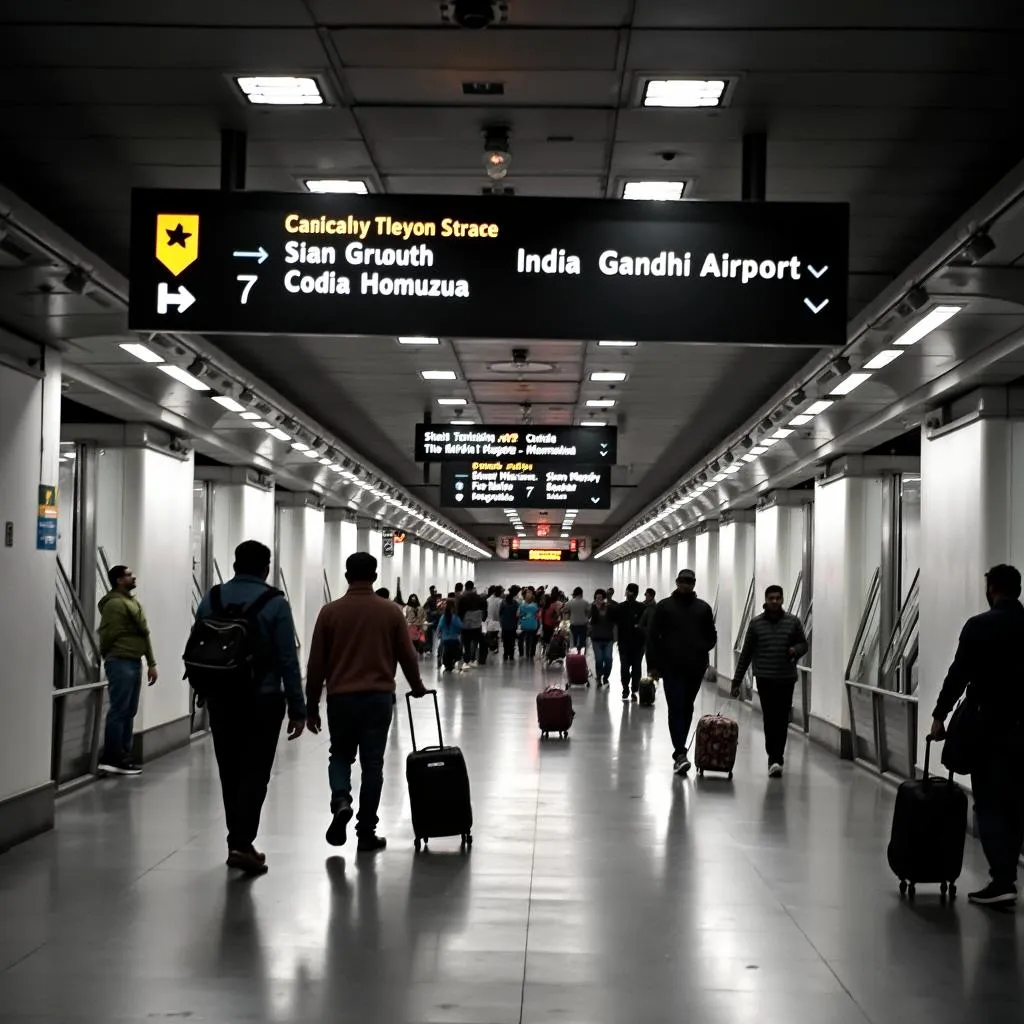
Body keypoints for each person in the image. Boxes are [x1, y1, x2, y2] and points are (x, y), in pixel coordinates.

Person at [194, 541, 306, 874]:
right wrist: (298, 708)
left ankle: (237, 841)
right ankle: (241, 843)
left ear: (234, 565)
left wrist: (202, 690)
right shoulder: (274, 603)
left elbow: (199, 645)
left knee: (230, 770)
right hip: (263, 699)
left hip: (221, 699)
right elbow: (288, 658)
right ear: (266, 568)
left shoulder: (211, 598)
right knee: (255, 771)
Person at [306, 552, 427, 854]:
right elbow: (406, 655)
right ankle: (366, 832)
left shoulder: (330, 612)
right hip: (377, 698)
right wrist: (417, 686)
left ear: (347, 576)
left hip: (340, 698)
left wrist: (310, 706)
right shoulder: (390, 612)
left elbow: (316, 663)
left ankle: (341, 800)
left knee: (340, 755)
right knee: (373, 764)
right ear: (374, 577)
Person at [930, 564, 1024, 906]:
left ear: (993, 589)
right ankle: (1007, 875)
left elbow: (958, 673)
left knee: (989, 802)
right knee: (1016, 803)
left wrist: (940, 715)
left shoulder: (980, 626)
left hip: (989, 728)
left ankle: (1002, 879)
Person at [730, 585, 808, 778]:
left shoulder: (793, 622)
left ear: (782, 600)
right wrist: (737, 680)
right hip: (765, 678)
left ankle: (776, 758)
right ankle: (772, 755)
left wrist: (795, 650)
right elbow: (746, 653)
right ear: (766, 600)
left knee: (781, 719)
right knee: (769, 718)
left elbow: (803, 644)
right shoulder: (756, 624)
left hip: (786, 678)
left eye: (778, 598)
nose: (774, 601)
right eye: (771, 598)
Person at [646, 569, 718, 775]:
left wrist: (701, 647)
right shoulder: (664, 607)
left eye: (690, 581)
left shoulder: (703, 608)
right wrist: (653, 666)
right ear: (677, 582)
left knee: (687, 707)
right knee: (676, 706)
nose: (686, 584)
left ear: (694, 584)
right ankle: (679, 752)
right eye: (683, 581)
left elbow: (711, 636)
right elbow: (652, 637)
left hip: (695, 667)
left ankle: (680, 749)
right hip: (671, 667)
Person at [97, 564, 158, 776]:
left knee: (129, 710)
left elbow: (144, 634)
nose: (133, 578)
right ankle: (113, 757)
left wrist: (151, 663)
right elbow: (107, 635)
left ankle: (124, 755)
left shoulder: (132, 603)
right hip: (120, 661)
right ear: (119, 580)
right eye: (129, 575)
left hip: (133, 661)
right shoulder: (114, 605)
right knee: (119, 710)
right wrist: (109, 656)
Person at [616, 583, 647, 702]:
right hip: (624, 643)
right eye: (628, 591)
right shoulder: (620, 607)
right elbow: (616, 624)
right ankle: (625, 688)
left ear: (635, 594)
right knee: (624, 667)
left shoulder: (641, 608)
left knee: (636, 668)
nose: (629, 594)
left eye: (631, 592)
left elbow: (645, 625)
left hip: (638, 644)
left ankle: (634, 689)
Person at [457, 580, 488, 667]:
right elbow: (484, 610)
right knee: (475, 642)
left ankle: (467, 660)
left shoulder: (462, 599)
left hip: (465, 625)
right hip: (477, 624)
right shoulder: (479, 598)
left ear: (466, 588)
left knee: (466, 643)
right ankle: (473, 658)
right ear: (473, 587)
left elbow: (459, 613)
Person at [589, 589, 616, 687]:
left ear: (604, 599)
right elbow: (587, 619)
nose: (598, 600)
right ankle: (599, 677)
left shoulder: (610, 608)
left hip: (608, 638)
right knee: (599, 659)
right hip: (596, 638)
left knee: (608, 659)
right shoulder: (592, 608)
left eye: (600, 598)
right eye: (597, 598)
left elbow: (614, 622)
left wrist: (615, 637)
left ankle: (606, 676)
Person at [435, 599, 464, 673]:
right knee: (455, 653)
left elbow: (439, 627)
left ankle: (447, 666)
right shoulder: (455, 617)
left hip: (445, 639)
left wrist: (439, 635)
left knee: (447, 653)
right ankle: (452, 664)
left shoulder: (443, 617)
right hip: (454, 639)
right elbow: (460, 626)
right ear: (453, 607)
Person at [518, 587, 541, 659]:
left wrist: (523, 616)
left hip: (526, 625)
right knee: (531, 640)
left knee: (528, 640)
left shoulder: (522, 605)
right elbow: (538, 616)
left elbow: (518, 615)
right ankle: (530, 654)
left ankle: (527, 653)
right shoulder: (535, 605)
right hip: (532, 625)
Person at [567, 587, 590, 653]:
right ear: (581, 594)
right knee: (582, 643)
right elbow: (589, 612)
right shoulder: (586, 602)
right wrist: (586, 618)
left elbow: (563, 610)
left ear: (575, 594)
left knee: (573, 643)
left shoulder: (570, 602)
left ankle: (574, 657)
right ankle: (581, 656)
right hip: (583, 625)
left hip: (573, 625)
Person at [499, 589, 519, 661]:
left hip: (504, 624)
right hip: (513, 624)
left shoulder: (503, 603)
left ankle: (505, 654)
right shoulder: (515, 603)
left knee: (505, 640)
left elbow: (500, 612)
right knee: (512, 641)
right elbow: (518, 614)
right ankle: (511, 655)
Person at [485, 585, 503, 657]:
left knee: (491, 635)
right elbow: (499, 612)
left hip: (489, 621)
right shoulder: (500, 601)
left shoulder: (488, 600)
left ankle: (492, 647)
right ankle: (494, 647)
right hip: (497, 621)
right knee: (495, 635)